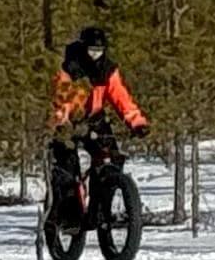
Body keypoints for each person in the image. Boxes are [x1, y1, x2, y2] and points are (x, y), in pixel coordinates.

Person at [49, 25, 148, 201]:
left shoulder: (108, 70)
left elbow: (120, 96)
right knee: (67, 167)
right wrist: (62, 122)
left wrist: (136, 122)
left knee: (112, 159)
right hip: (70, 122)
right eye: (92, 50)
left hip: (96, 119)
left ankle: (103, 202)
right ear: (83, 48)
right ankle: (67, 211)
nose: (96, 55)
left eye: (99, 51)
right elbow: (61, 98)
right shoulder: (69, 68)